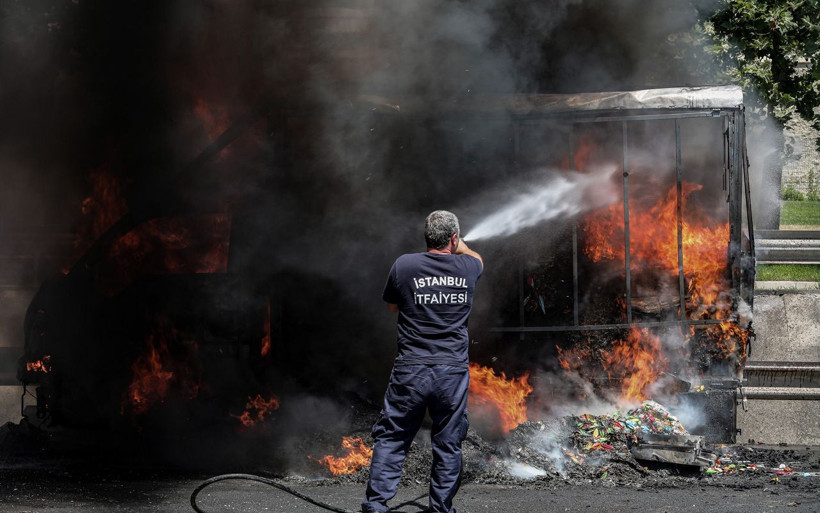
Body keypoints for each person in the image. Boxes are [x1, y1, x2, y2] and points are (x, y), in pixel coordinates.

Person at [362, 210, 483, 513]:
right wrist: (462, 244)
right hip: (451, 373)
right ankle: (440, 508)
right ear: (453, 239)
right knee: (448, 442)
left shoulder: (405, 265)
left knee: (392, 438)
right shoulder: (468, 265)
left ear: (427, 237)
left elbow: (392, 307)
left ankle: (376, 507)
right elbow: (477, 258)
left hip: (411, 370)